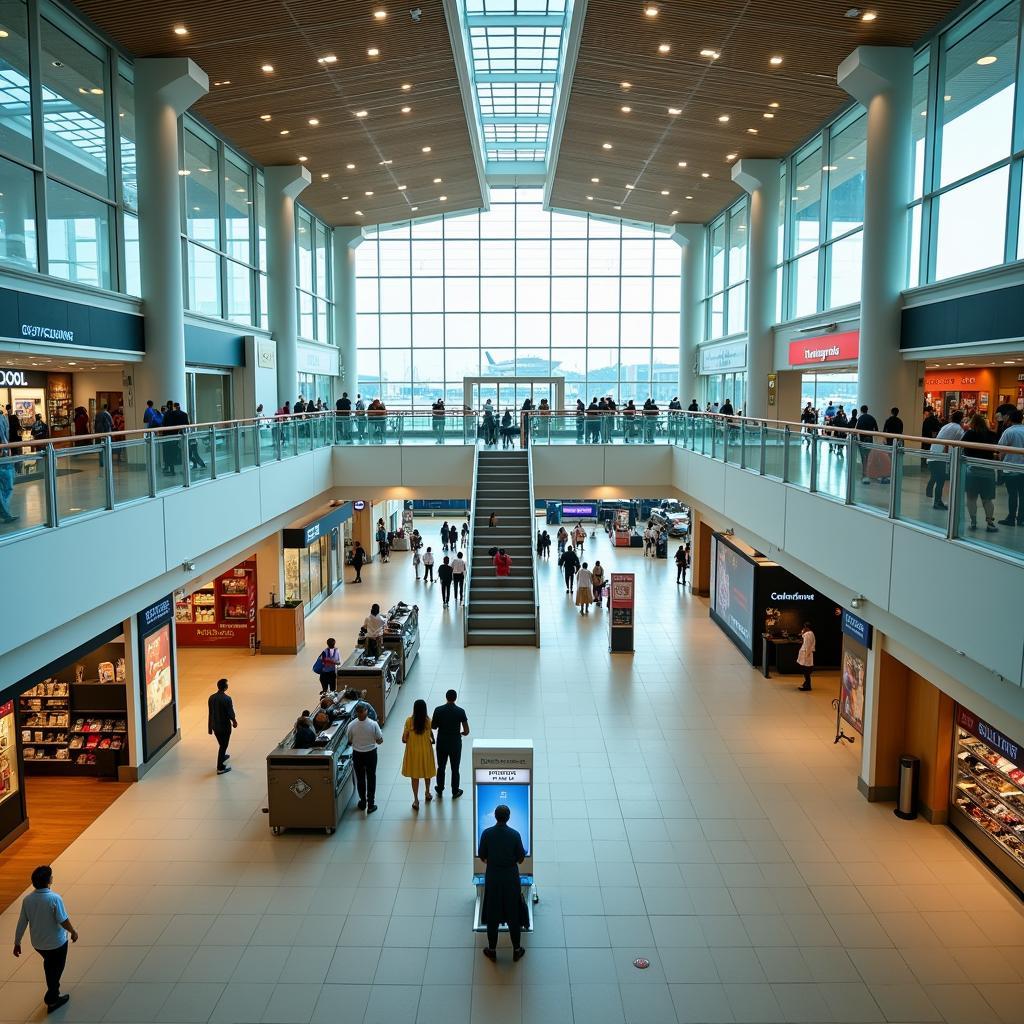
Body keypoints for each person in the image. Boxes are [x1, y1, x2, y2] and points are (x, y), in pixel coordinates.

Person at [13, 865, 78, 1013]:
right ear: (49, 880)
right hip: (57, 943)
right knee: (56, 968)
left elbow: (22, 922)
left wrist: (17, 942)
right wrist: (73, 931)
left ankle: (53, 993)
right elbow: (63, 920)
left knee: (50, 964)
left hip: (39, 944)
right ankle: (52, 997)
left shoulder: (27, 900)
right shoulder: (54, 898)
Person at [478, 805, 526, 962]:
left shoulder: (487, 833)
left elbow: (482, 855)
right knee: (513, 912)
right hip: (511, 877)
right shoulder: (515, 835)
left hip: (493, 876)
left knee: (493, 912)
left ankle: (492, 949)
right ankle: (516, 949)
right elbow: (520, 858)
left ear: (495, 817)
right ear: (509, 817)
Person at [962, 412, 999, 532]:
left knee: (971, 498)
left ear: (972, 422)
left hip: (972, 470)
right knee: (987, 499)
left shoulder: (969, 434)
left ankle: (973, 522)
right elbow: (997, 450)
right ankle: (989, 523)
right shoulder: (991, 435)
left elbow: (961, 447)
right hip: (988, 470)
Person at [346, 701, 382, 813]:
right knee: (371, 777)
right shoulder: (373, 724)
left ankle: (362, 802)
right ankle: (371, 804)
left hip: (357, 754)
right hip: (371, 753)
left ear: (356, 712)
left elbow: (350, 741)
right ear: (366, 711)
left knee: (360, 778)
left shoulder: (351, 725)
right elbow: (380, 740)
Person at [432, 689, 469, 798]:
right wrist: (460, 733)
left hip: (442, 742)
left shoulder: (438, 710)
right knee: (455, 768)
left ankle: (440, 788)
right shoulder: (460, 711)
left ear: (446, 697)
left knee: (441, 766)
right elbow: (466, 731)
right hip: (455, 743)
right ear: (455, 698)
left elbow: (433, 726)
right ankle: (455, 790)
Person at [401, 699, 435, 810]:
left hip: (413, 752)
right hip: (425, 751)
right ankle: (427, 792)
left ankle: (416, 800)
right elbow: (431, 736)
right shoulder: (428, 721)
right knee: (427, 773)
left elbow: (404, 739)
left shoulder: (409, 721)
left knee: (414, 776)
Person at [929, 410, 964, 510]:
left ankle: (937, 500)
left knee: (939, 479)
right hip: (943, 456)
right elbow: (960, 443)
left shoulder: (946, 426)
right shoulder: (959, 429)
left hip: (935, 453)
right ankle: (937, 501)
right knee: (941, 480)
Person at [998, 408, 1024, 526]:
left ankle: (1011, 517)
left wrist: (1000, 461)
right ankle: (1021, 518)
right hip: (1022, 469)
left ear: (1010, 419)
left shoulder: (1009, 432)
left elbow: (1001, 449)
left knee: (1012, 494)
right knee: (1022, 495)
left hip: (1010, 468)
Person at [208, 678, 237, 775]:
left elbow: (210, 713)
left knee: (221, 744)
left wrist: (210, 727)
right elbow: (230, 713)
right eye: (227, 684)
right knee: (223, 745)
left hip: (215, 726)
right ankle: (220, 767)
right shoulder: (227, 699)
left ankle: (223, 756)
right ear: (225, 687)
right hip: (224, 727)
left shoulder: (211, 697)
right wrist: (234, 721)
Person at [856, 405, 879, 484]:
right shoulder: (872, 418)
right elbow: (876, 430)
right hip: (870, 440)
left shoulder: (860, 418)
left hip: (862, 440)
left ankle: (864, 475)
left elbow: (856, 430)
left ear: (861, 410)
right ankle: (868, 475)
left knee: (863, 458)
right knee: (869, 458)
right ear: (867, 410)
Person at [797, 623, 815, 691]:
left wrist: (806, 656)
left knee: (806, 671)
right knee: (806, 671)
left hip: (806, 655)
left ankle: (807, 686)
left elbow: (807, 646)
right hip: (807, 654)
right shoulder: (810, 633)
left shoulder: (808, 634)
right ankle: (806, 684)